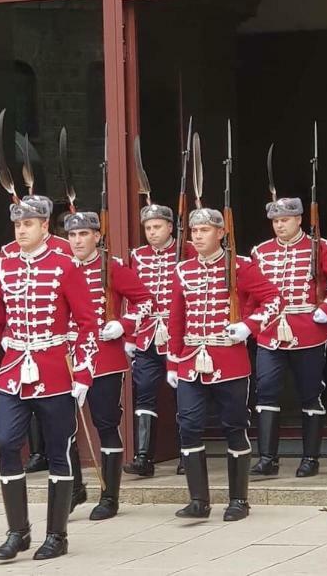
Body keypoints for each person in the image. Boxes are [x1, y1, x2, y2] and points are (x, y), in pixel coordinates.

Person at [0, 195, 98, 561]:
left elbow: (88, 322)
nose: (21, 230)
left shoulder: (65, 265)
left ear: (45, 226)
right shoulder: (6, 265)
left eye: (28, 224)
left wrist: (84, 373)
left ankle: (56, 536)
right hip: (14, 370)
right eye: (17, 225)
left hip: (54, 370)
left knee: (59, 451)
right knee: (8, 442)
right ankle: (18, 532)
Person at [167, 207, 283, 522]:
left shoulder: (241, 266)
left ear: (221, 233)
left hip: (228, 359)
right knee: (188, 426)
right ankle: (198, 500)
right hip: (191, 359)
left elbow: (273, 299)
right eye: (195, 231)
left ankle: (238, 500)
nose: (199, 236)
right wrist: (173, 360)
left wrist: (249, 325)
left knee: (235, 426)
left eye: (205, 230)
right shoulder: (183, 270)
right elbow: (177, 317)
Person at [249, 198, 327, 478]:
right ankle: (267, 458)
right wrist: (248, 325)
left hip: (307, 329)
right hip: (270, 330)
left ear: (299, 219)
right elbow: (250, 292)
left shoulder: (320, 247)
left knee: (310, 393)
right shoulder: (261, 252)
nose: (279, 225)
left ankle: (310, 458)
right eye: (275, 221)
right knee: (266, 391)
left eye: (284, 220)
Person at [65, 210, 154, 519]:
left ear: (96, 237)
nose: (77, 240)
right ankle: (74, 488)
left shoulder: (112, 267)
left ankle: (110, 496)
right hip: (67, 355)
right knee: (64, 426)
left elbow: (145, 301)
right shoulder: (59, 268)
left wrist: (124, 324)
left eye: (84, 234)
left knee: (104, 424)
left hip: (104, 355)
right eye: (73, 235)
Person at [124, 203, 196, 477]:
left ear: (170, 227)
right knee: (144, 394)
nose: (152, 233)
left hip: (179, 333)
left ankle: (186, 453)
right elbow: (132, 298)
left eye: (157, 227)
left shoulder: (187, 250)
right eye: (148, 228)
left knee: (184, 396)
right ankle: (144, 457)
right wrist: (130, 334)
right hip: (147, 334)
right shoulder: (138, 256)